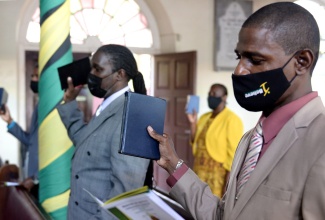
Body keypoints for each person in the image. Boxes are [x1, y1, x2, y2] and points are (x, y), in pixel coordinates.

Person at [147, 2, 325, 219]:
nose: (239, 71)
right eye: (238, 57)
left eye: (256, 60)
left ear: (301, 62)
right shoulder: (251, 139)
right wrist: (173, 163)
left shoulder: (320, 141)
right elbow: (225, 215)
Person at [57, 44, 151, 219]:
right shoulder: (107, 106)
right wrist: (70, 103)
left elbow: (126, 191)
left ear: (120, 74)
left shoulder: (134, 116)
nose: (90, 74)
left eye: (98, 69)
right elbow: (86, 143)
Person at [187, 83, 243, 197]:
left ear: (224, 97)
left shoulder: (232, 120)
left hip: (217, 177)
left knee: (212, 209)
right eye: (209, 94)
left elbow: (233, 156)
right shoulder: (204, 117)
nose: (210, 96)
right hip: (199, 171)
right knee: (196, 203)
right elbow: (194, 142)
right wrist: (193, 123)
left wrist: (227, 186)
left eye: (214, 94)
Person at [0, 65, 39, 199]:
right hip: (31, 178)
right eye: (32, 76)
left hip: (39, 180)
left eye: (37, 76)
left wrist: (36, 178)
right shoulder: (39, 105)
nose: (33, 79)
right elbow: (31, 141)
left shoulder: (50, 107)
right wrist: (9, 121)